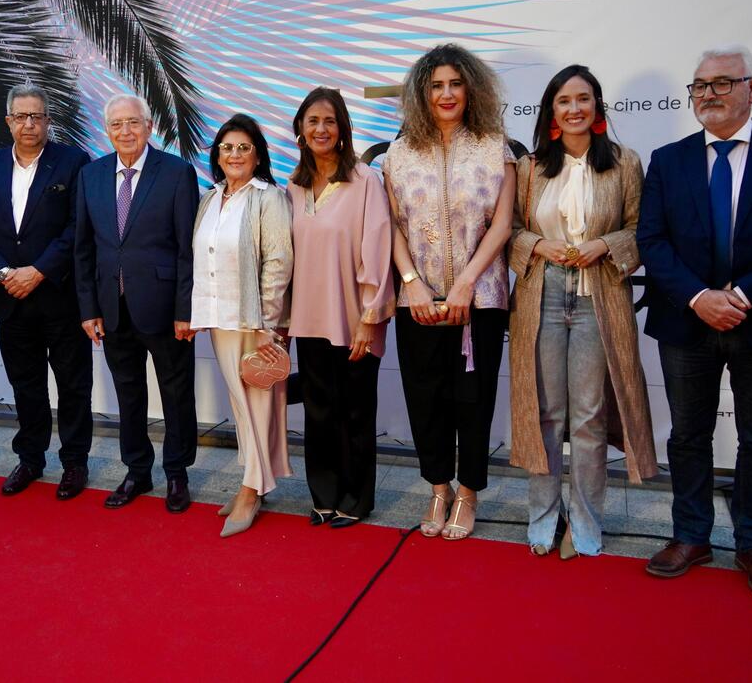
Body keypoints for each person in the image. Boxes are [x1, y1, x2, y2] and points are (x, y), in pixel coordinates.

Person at [637, 45, 752, 602]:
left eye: (723, 82)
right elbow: (652, 241)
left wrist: (740, 296)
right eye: (700, 85)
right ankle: (690, 536)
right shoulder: (668, 160)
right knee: (688, 436)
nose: (709, 94)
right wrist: (700, 297)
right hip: (687, 320)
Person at [508, 65, 658, 558]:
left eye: (583, 99)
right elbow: (509, 231)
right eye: (564, 100)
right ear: (551, 111)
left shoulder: (624, 162)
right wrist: (539, 245)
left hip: (600, 295)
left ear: (597, 106)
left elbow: (641, 229)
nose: (574, 108)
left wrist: (605, 244)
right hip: (543, 294)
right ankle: (543, 514)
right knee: (546, 412)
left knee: (590, 416)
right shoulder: (529, 168)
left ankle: (585, 521)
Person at [384, 44, 516, 541]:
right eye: (436, 85)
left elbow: (502, 225)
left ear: (471, 89)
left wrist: (465, 285)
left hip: (479, 300)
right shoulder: (398, 154)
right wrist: (412, 283)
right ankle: (438, 488)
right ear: (422, 93)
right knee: (425, 398)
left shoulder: (495, 147)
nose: (446, 94)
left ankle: (469, 492)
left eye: (455, 84)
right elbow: (392, 226)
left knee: (473, 401)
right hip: (416, 301)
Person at [0, 85, 93, 499]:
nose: (29, 124)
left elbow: (78, 226)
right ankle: (30, 459)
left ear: (48, 121)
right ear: (8, 121)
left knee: (73, 385)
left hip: (60, 296)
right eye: (21, 116)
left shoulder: (73, 162)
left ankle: (74, 462)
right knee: (26, 384)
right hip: (10, 298)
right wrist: (5, 273)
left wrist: (38, 271)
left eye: (37, 116)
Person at [74, 94, 199, 512]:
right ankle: (137, 471)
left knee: (176, 394)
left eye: (133, 122)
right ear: (107, 130)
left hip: (164, 310)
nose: (125, 131)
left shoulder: (177, 172)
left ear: (149, 126)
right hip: (112, 308)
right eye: (117, 124)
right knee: (128, 394)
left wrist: (185, 310)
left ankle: (177, 473)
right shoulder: (90, 175)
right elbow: (83, 248)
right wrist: (88, 308)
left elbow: (186, 249)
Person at [288, 87, 395, 529]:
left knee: (355, 412)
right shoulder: (293, 187)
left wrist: (370, 318)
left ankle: (356, 498)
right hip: (308, 319)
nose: (321, 129)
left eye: (329, 121)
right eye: (313, 121)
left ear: (343, 128)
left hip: (355, 319)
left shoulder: (365, 181)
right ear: (300, 129)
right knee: (318, 412)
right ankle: (324, 495)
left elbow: (379, 249)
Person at [190, 114, 294, 537]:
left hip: (255, 322)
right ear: (217, 155)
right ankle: (252, 481)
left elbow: (279, 261)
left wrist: (268, 321)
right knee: (241, 405)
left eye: (244, 148)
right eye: (227, 147)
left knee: (258, 407)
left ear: (257, 156)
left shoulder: (269, 198)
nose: (234, 155)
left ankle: (251, 490)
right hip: (220, 319)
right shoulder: (209, 198)